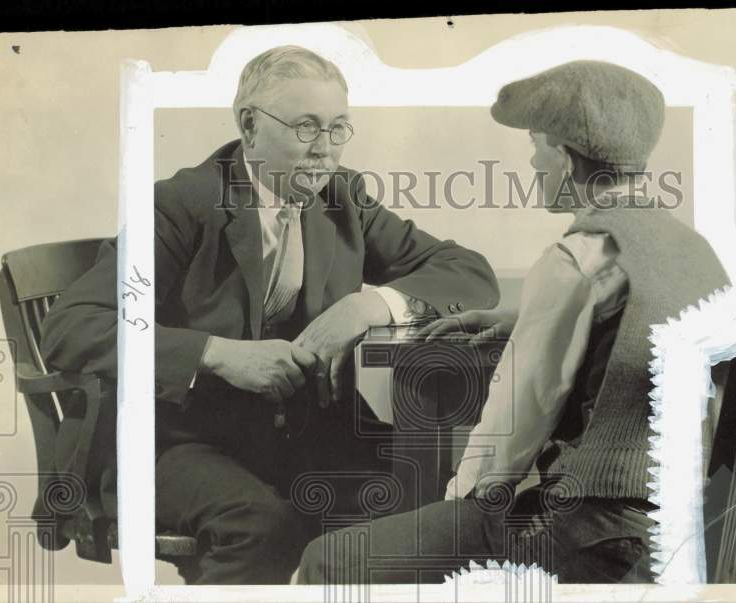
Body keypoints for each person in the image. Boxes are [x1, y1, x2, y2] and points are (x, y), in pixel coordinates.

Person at [39, 45, 499, 584]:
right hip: (174, 439)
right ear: (250, 125)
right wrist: (217, 354)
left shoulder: (341, 198)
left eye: (337, 129)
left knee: (413, 504)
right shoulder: (182, 204)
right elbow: (72, 325)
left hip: (291, 433)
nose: (324, 150)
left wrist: (367, 303)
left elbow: (468, 272)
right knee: (261, 528)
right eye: (306, 127)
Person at [296, 60, 730, 584]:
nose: (531, 163)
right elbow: (636, 331)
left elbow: (517, 423)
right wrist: (528, 321)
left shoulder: (576, 258)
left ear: (567, 159)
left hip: (590, 535)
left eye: (536, 145)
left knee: (328, 561)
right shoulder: (692, 248)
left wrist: (458, 502)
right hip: (679, 526)